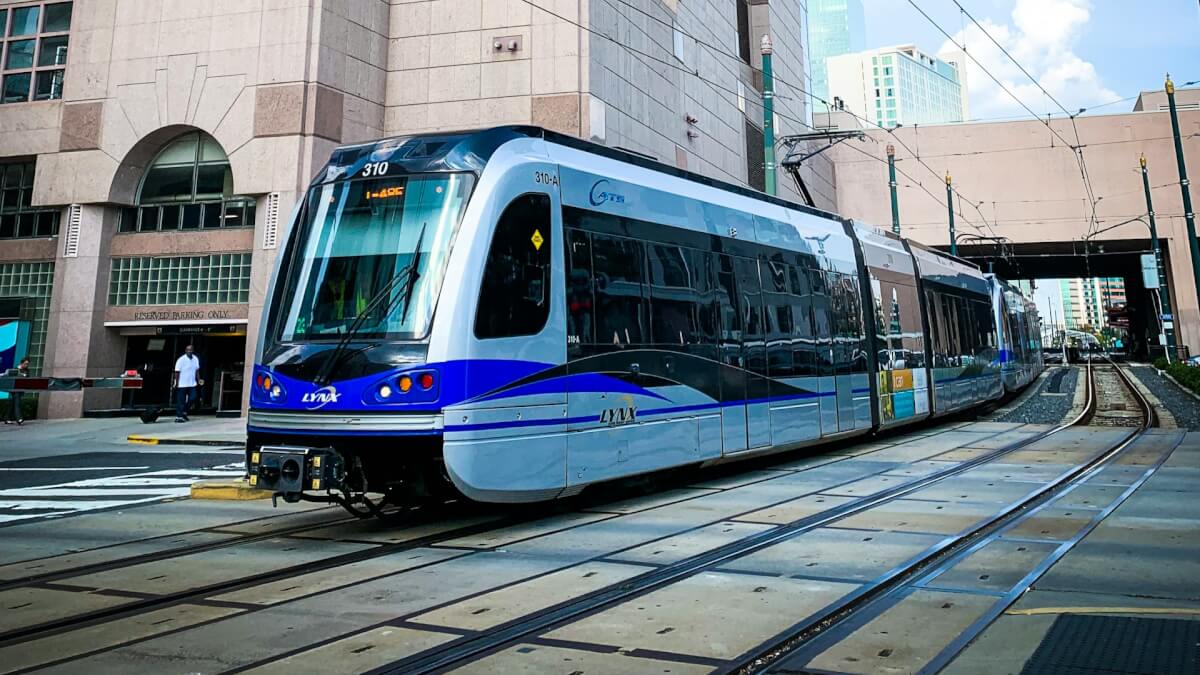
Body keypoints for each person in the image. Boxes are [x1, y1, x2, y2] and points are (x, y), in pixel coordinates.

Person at [173, 345, 203, 423]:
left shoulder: (195, 358)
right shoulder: (181, 360)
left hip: (192, 383)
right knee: (181, 400)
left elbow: (197, 370)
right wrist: (176, 383)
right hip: (182, 384)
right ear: (185, 350)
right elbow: (177, 372)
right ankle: (179, 416)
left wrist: (199, 379)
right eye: (188, 350)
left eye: (191, 350)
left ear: (193, 351)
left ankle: (184, 411)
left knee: (193, 397)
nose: (190, 351)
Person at [4, 357, 29, 425]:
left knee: (12, 404)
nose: (26, 365)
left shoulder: (27, 370)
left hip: (20, 389)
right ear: (22, 363)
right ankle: (19, 418)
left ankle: (7, 418)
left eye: (27, 364)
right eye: (25, 364)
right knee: (17, 403)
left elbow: (27, 378)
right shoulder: (15, 369)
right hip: (14, 389)